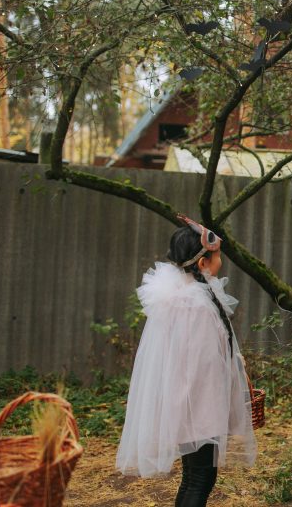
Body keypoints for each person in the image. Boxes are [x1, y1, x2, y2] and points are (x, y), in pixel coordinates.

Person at [116, 215, 256, 507]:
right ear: (202, 263)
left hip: (188, 403)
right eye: (217, 256)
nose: (221, 262)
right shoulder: (195, 304)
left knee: (194, 477)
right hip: (197, 406)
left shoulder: (185, 296)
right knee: (201, 478)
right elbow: (204, 365)